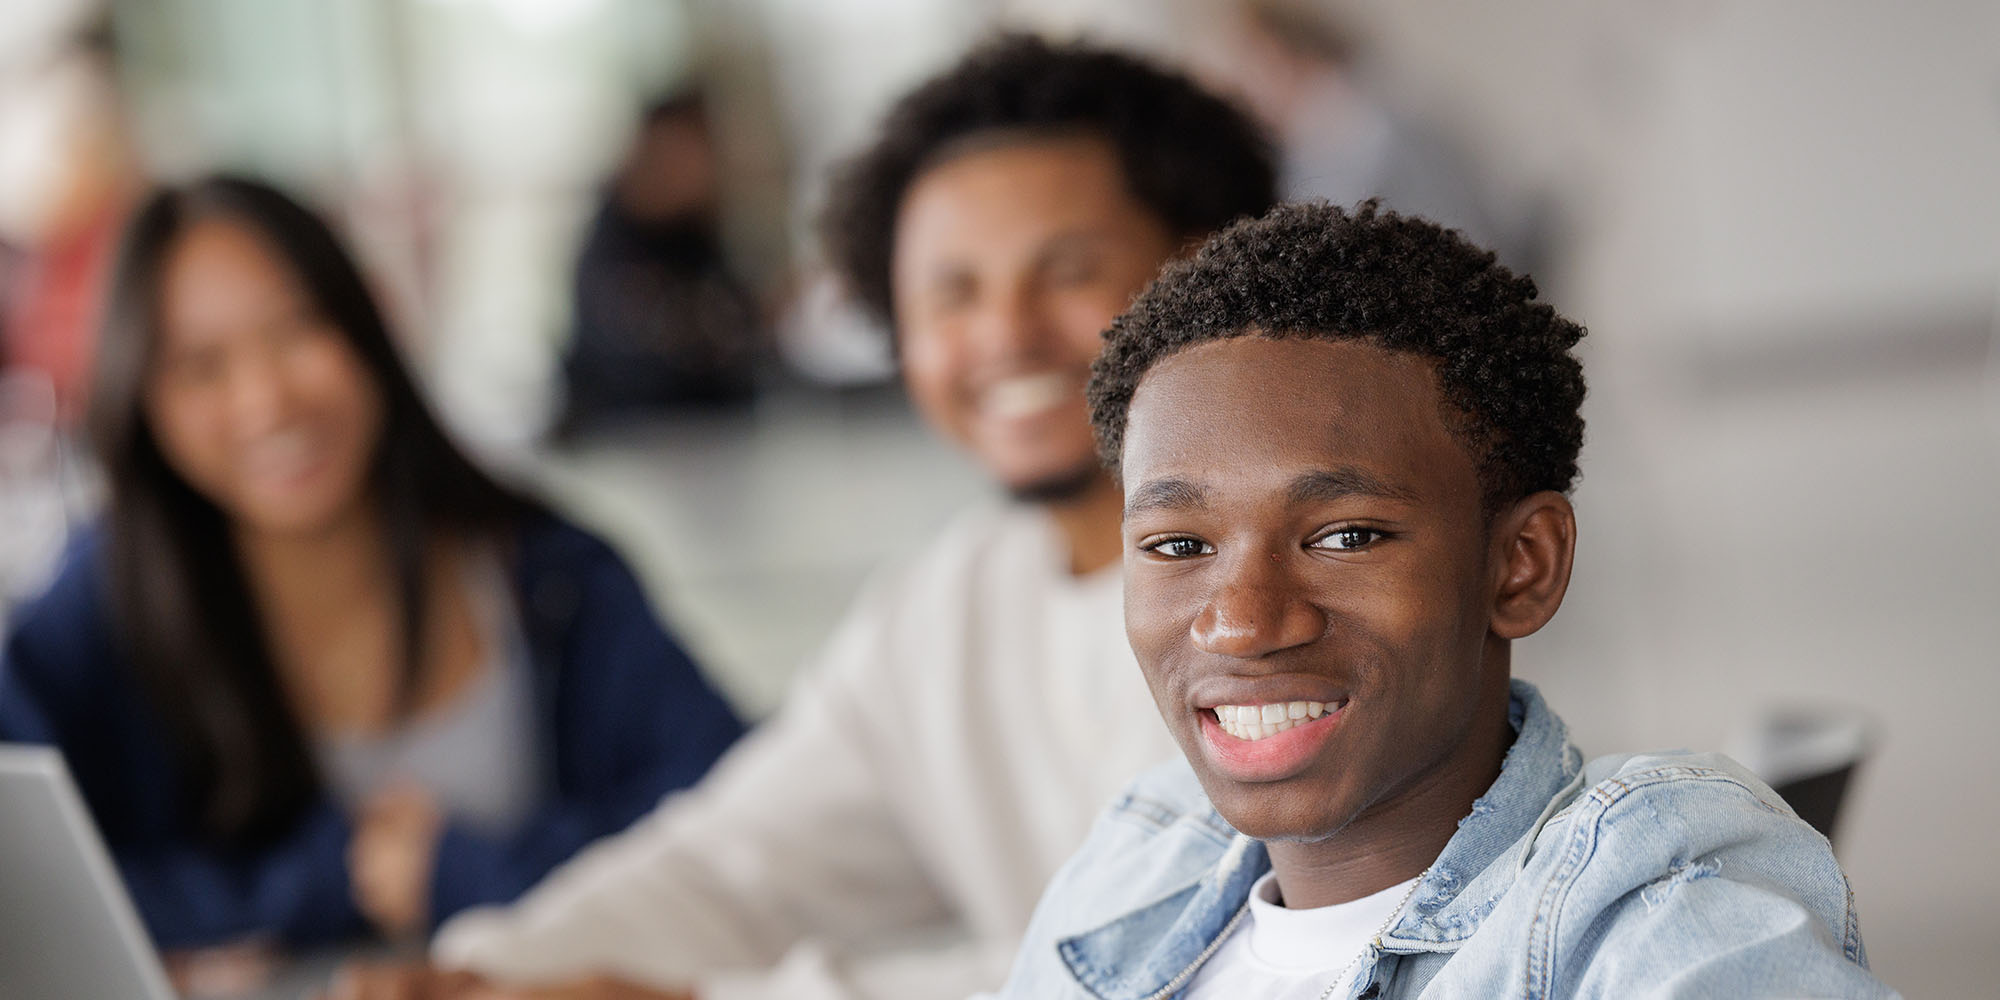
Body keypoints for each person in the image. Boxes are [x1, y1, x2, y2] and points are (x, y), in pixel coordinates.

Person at [329, 34, 1276, 1000]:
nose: (1003, 333)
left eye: (1067, 271)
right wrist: (482, 972)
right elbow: (730, 866)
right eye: (952, 291)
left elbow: (1182, 961)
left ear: (1210, 268)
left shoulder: (1283, 595)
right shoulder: (945, 607)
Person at [984, 201, 1896, 998]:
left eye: (1345, 536)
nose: (1244, 621)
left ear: (1521, 566)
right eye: (1178, 545)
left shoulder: (1649, 913)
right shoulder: (1144, 854)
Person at [0, 177, 744, 960]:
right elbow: (24, 885)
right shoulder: (101, 607)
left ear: (368, 326)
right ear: (142, 402)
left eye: (296, 331)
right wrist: (322, 885)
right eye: (201, 366)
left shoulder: (551, 572)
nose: (266, 401)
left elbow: (742, 820)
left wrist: (470, 871)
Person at [554, 89, 764, 435]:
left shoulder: (695, 236)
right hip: (628, 439)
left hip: (713, 439)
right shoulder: (611, 246)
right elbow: (635, 362)